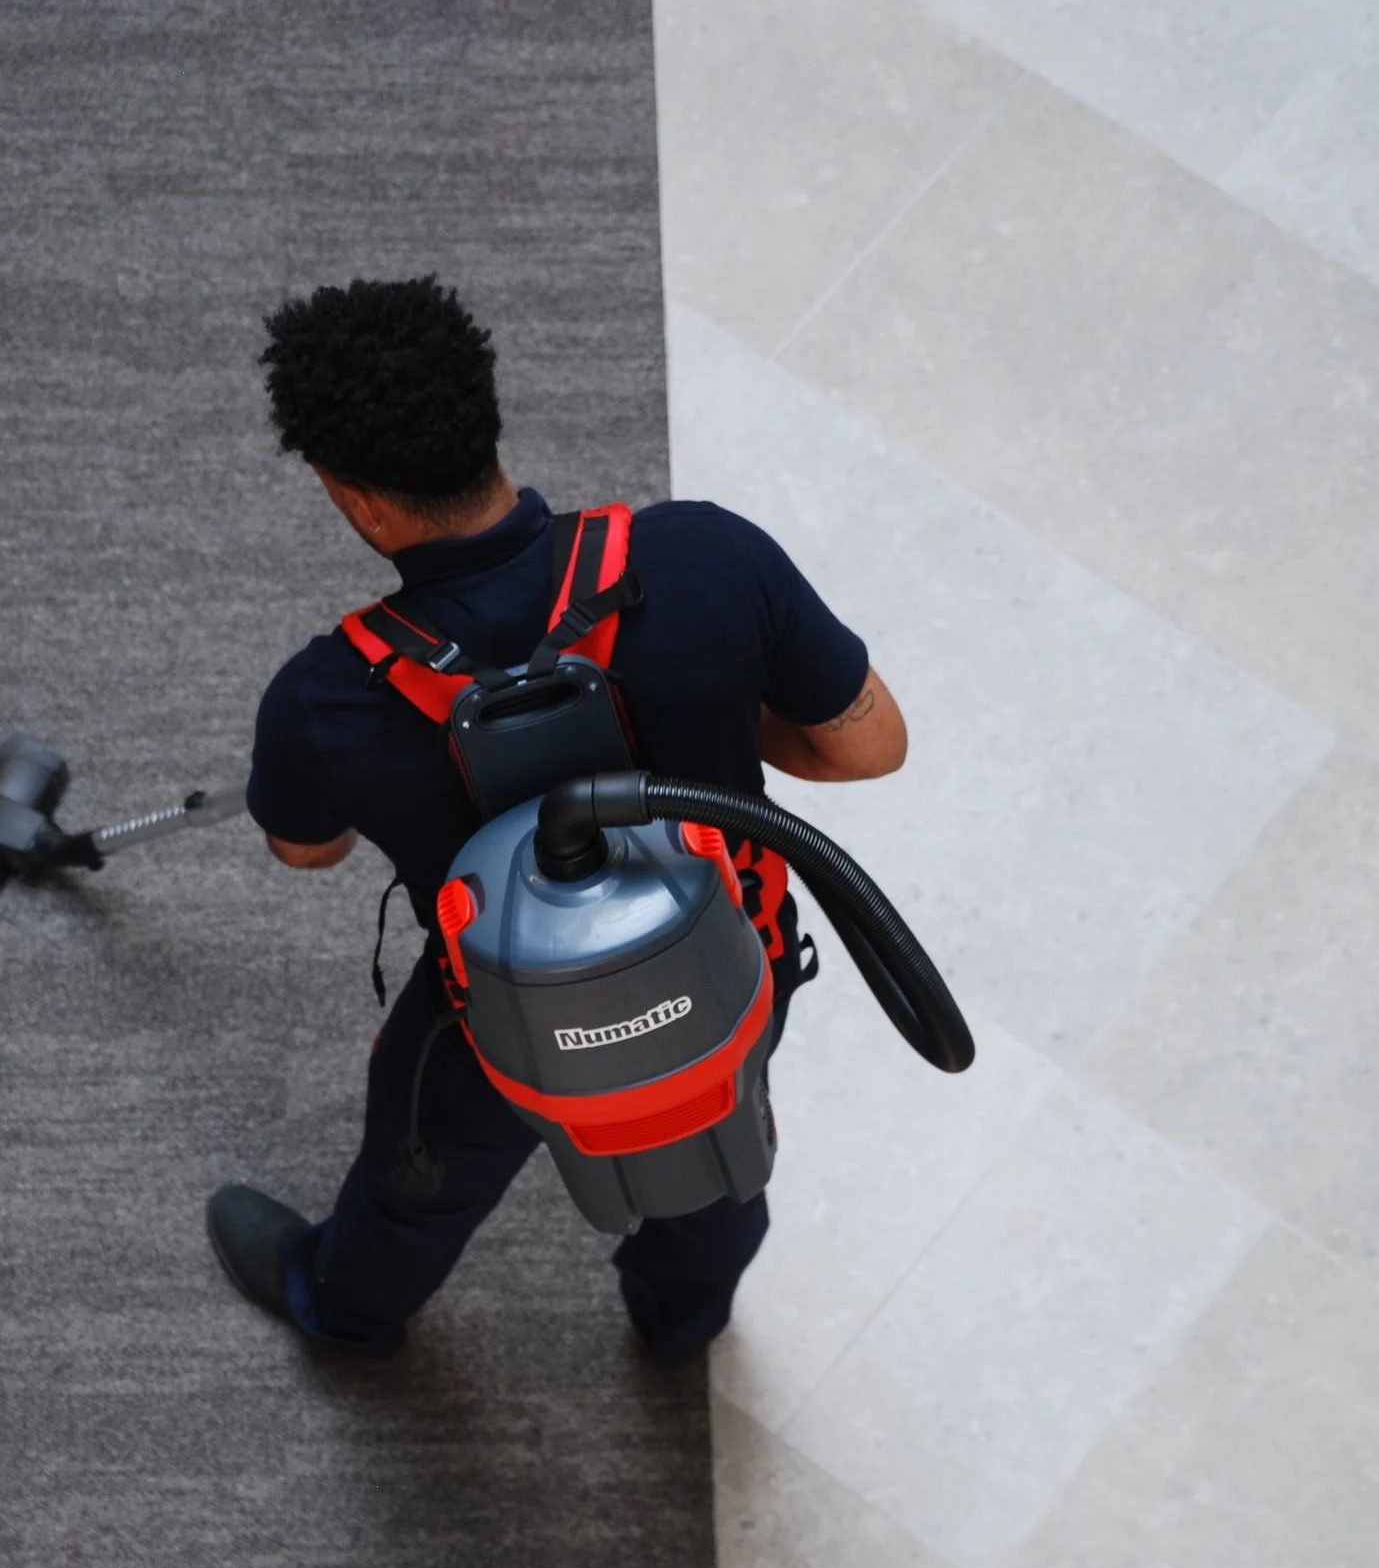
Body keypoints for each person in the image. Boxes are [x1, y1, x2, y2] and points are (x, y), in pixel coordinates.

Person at [208, 274, 907, 1358]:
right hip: (718, 965)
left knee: (420, 1176)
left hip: (495, 1024)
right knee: (709, 1140)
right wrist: (704, 717)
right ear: (488, 416)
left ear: (356, 501)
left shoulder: (326, 697)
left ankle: (342, 1309)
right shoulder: (706, 557)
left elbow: (306, 849)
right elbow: (868, 746)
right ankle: (681, 1322)